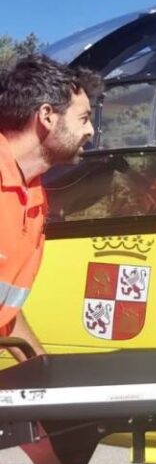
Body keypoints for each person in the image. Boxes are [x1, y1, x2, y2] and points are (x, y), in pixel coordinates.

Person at [0, 55, 103, 361]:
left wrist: (41, 373)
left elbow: (5, 311)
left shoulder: (32, 196)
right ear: (47, 116)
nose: (91, 132)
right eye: (83, 119)